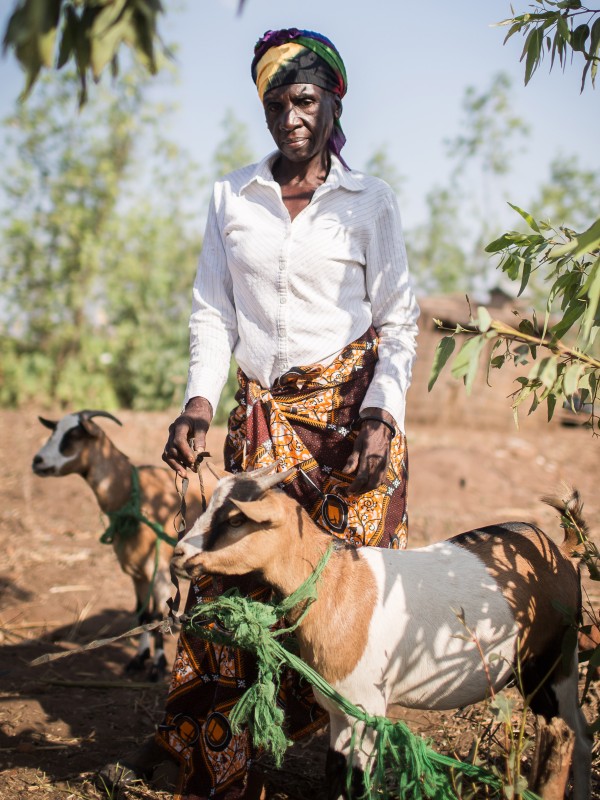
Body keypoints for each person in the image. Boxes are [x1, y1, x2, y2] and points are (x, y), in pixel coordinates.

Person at [102, 27, 419, 800]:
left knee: (349, 599)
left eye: (305, 99)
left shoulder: (369, 202)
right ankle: (207, 756)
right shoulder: (231, 197)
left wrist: (383, 415)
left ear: (333, 98)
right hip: (262, 431)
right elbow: (213, 313)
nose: (291, 118)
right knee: (223, 589)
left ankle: (351, 773)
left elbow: (398, 322)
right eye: (276, 103)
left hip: (352, 437)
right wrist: (198, 401)